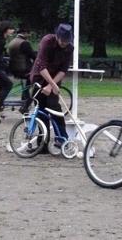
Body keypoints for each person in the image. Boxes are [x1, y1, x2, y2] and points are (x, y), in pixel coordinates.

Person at [29, 23, 74, 152]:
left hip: (54, 79)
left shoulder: (69, 48)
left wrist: (52, 85)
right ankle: (42, 144)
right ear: (57, 36)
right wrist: (50, 85)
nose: (64, 44)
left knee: (54, 108)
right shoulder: (47, 41)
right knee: (41, 110)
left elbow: (63, 70)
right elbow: (41, 66)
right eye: (62, 41)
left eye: (67, 41)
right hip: (40, 77)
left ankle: (62, 139)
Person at [7, 25, 37, 112]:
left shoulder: (12, 42)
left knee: (27, 86)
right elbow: (32, 55)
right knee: (36, 82)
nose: (29, 35)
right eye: (28, 33)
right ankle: (26, 105)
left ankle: (24, 102)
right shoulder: (24, 43)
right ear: (25, 33)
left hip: (13, 69)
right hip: (24, 69)